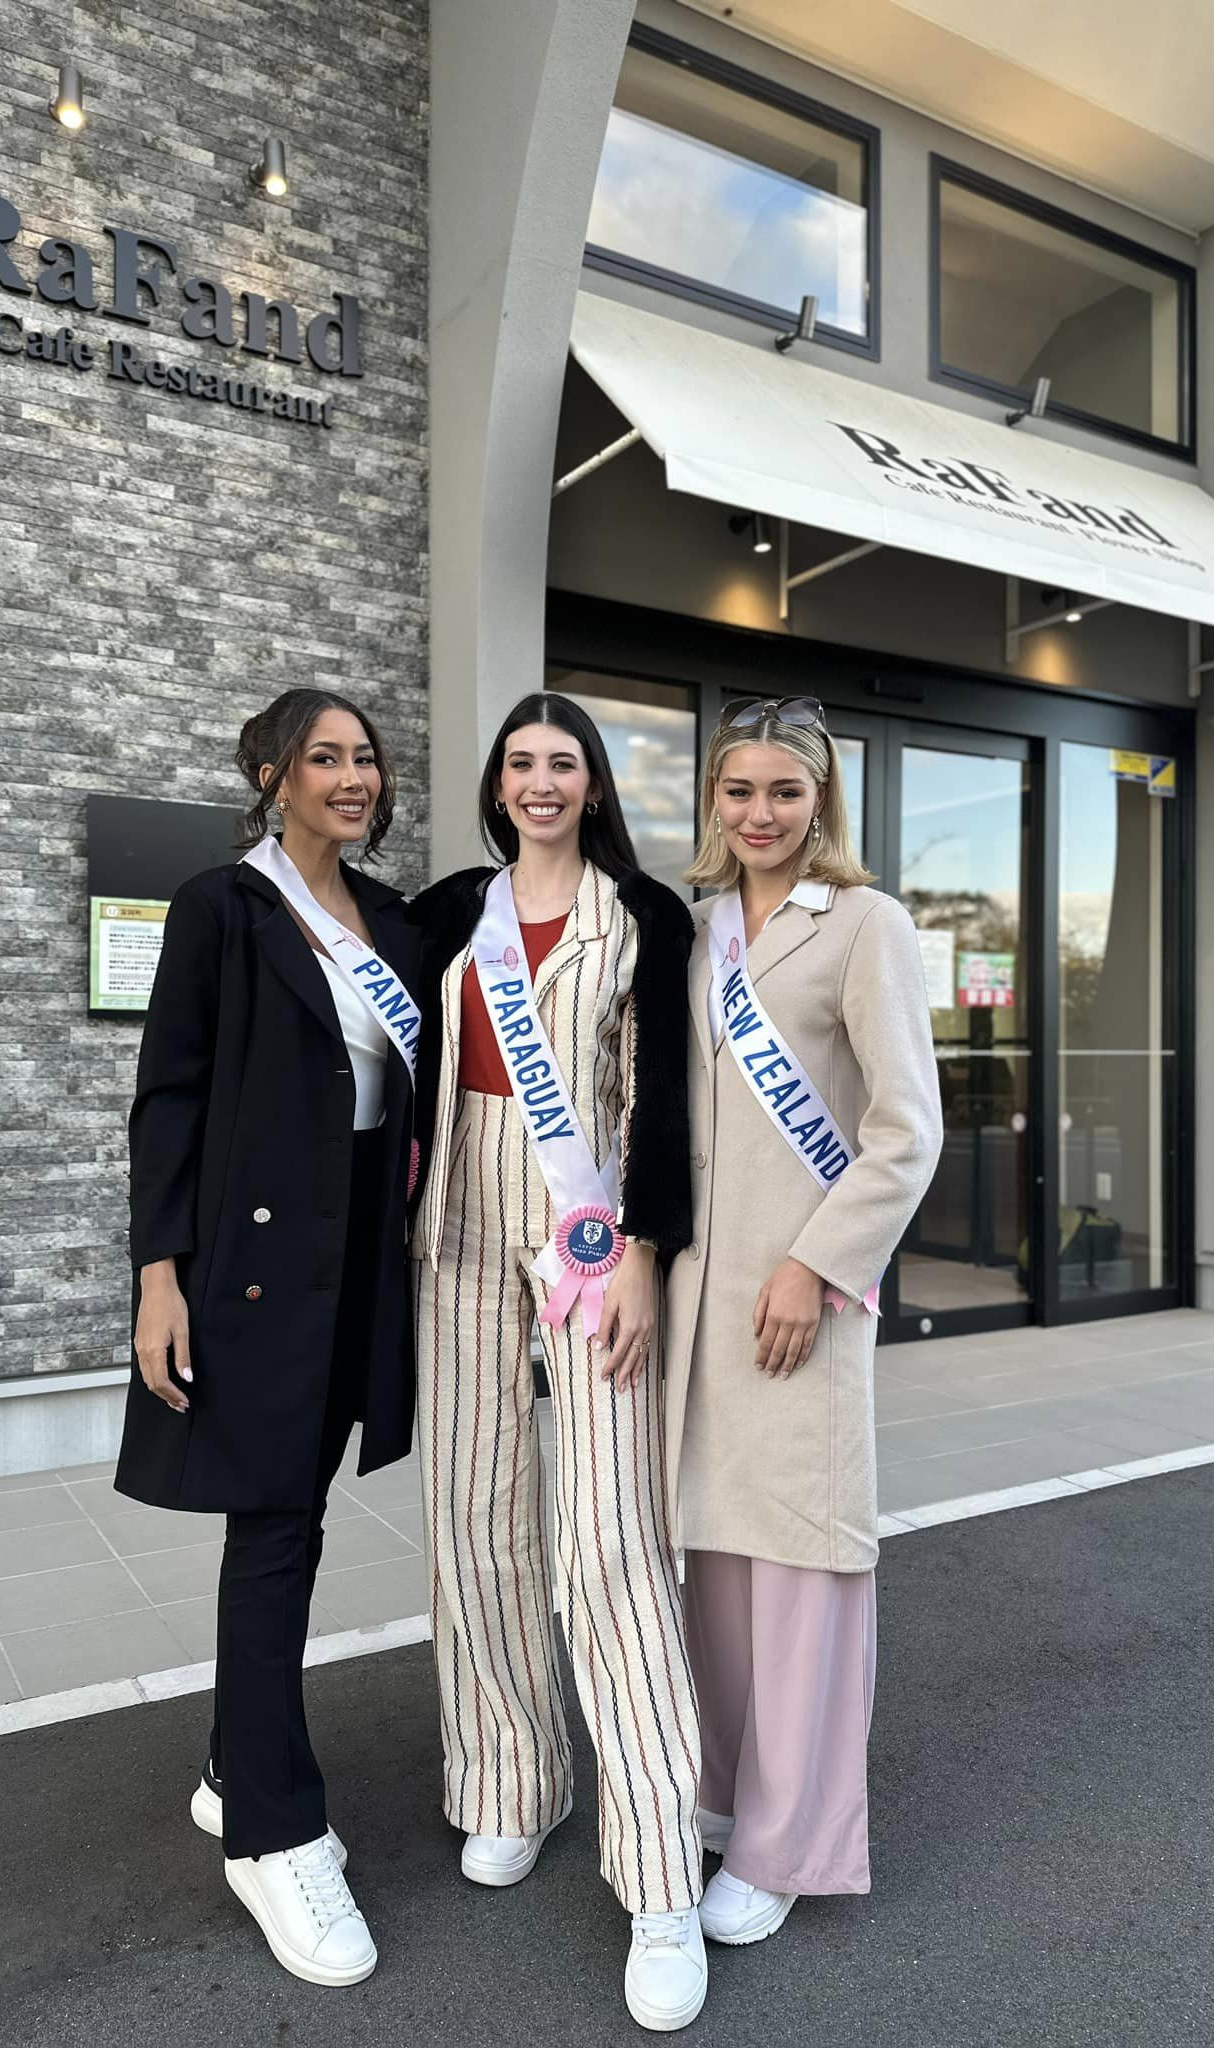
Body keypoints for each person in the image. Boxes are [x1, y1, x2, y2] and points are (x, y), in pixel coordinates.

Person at [407, 692, 708, 2032]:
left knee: (608, 1536)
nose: (540, 782)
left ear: (593, 787)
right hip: (459, 1220)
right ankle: (510, 1783)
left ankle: (658, 1876)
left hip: (587, 1230)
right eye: (521, 763)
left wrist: (645, 1247)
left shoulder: (639, 916)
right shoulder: (444, 911)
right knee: (475, 1516)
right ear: (496, 781)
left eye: (564, 764)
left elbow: (660, 1103)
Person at [114, 686, 421, 1989]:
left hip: (363, 1257)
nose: (353, 778)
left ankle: (237, 1760)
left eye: (365, 759)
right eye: (326, 759)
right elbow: (168, 1095)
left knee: (302, 1510)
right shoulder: (221, 909)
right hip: (250, 1264)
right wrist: (157, 1273)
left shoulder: (392, 916)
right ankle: (271, 1834)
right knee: (274, 1524)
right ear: (270, 772)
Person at [663, 695, 942, 1948]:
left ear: (821, 799)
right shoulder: (696, 931)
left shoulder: (867, 924)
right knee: (717, 1564)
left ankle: (792, 1840)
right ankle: (727, 1793)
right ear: (714, 802)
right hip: (697, 1304)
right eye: (739, 792)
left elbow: (905, 1128)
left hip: (799, 1299)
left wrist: (817, 1264)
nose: (761, 813)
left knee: (802, 1568)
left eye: (785, 791)